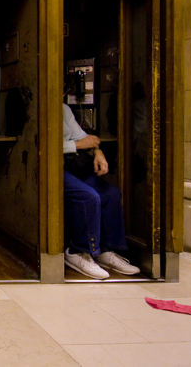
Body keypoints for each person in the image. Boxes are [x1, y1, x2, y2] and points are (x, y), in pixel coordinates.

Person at [62, 103, 140, 279]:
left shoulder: (63, 109)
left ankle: (104, 250)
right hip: (52, 167)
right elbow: (44, 143)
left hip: (72, 164)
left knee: (110, 194)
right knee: (87, 196)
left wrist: (98, 152)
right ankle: (78, 250)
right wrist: (77, 145)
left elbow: (86, 138)